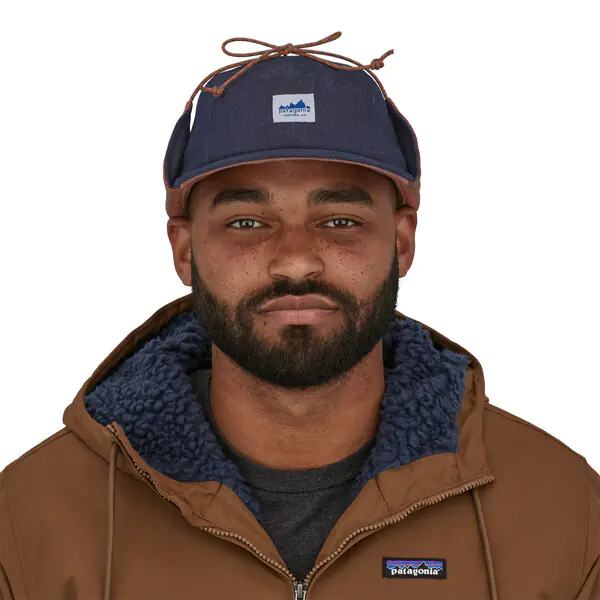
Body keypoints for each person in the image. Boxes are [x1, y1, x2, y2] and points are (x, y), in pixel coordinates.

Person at [1, 32, 598, 600]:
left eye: (339, 221)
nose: (295, 260)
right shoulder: (30, 522)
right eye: (246, 223)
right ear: (184, 250)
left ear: (402, 242)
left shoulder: (561, 510)